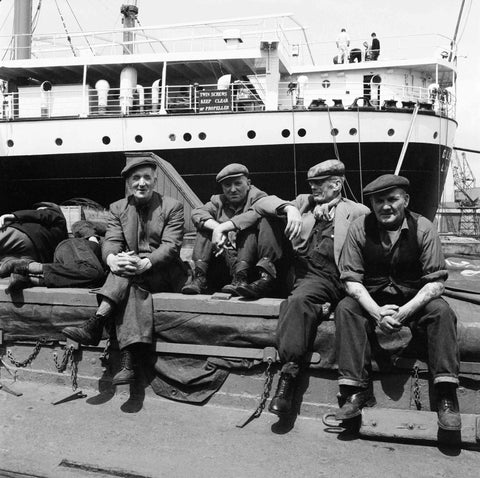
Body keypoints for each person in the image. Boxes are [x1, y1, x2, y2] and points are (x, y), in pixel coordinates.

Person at [335, 174, 461, 431]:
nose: (385, 206)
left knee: (442, 312)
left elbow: (436, 283)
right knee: (346, 308)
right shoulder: (359, 228)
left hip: (412, 300)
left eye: (392, 199)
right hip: (374, 300)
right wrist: (377, 312)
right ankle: (355, 391)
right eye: (378, 201)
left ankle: (446, 395)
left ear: (406, 200)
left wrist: (403, 313)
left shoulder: (424, 227)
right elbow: (350, 280)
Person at [251, 159, 369, 415]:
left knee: (297, 302)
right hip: (297, 271)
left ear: (337, 184)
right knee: (267, 222)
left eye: (319, 184)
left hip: (328, 276)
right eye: (312, 184)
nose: (313, 189)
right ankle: (264, 281)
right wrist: (290, 210)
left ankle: (288, 379)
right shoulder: (304, 202)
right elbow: (260, 203)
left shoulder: (357, 211)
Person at [62, 156, 188, 386]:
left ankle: (97, 322)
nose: (142, 183)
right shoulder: (118, 208)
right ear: (129, 183)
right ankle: (128, 363)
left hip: (162, 271)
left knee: (127, 274)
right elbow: (111, 241)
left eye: (147, 178)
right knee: (128, 278)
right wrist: (112, 259)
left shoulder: (172, 207)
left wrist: (145, 262)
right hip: (132, 272)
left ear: (155, 180)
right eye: (136, 178)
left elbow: (171, 246)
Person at [182, 163, 286, 299]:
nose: (232, 189)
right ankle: (200, 277)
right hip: (226, 262)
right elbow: (197, 213)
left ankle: (252, 277)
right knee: (205, 226)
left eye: (238, 183)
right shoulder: (218, 202)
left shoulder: (258, 197)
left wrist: (224, 227)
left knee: (253, 225)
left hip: (252, 265)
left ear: (248, 183)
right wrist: (216, 229)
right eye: (227, 185)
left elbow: (254, 214)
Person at [5, 220, 106, 294]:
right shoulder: (115, 229)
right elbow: (79, 224)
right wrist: (93, 239)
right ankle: (28, 266)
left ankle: (28, 279)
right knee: (93, 271)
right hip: (77, 246)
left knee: (92, 278)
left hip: (81, 263)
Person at [0, 202, 68, 277]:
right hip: (34, 255)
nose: (36, 211)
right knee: (8, 262)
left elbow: (41, 214)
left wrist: (13, 216)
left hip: (25, 236)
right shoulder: (62, 235)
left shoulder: (54, 214)